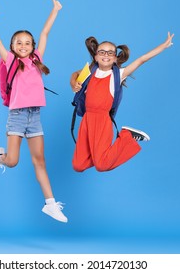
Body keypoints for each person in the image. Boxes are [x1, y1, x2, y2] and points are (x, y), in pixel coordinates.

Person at [0, 0, 67, 223]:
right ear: (12, 46)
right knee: (12, 161)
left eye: (27, 43)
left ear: (32, 46)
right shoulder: (10, 60)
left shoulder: (37, 59)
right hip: (17, 116)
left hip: (35, 116)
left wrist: (55, 10)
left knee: (39, 161)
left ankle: (51, 204)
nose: (23, 46)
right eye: (18, 42)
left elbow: (44, 34)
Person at [70, 32, 174, 172]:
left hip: (102, 121)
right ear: (96, 56)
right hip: (87, 121)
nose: (106, 55)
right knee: (78, 165)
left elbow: (141, 60)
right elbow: (74, 74)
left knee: (102, 165)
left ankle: (127, 136)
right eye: (102, 52)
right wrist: (73, 83)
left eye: (110, 53)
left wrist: (162, 46)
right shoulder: (90, 71)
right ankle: (99, 156)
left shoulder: (118, 74)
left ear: (115, 58)